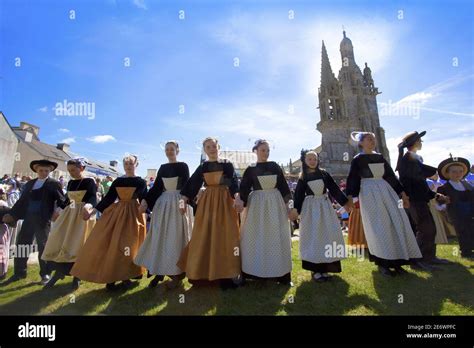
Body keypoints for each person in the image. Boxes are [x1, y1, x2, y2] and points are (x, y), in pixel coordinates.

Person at [346, 132, 422, 277]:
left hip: (386, 191)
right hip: (368, 192)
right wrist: (351, 198)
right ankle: (383, 264)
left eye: (374, 139)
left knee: (397, 222)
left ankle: (399, 261)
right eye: (369, 139)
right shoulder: (358, 160)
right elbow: (353, 179)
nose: (373, 141)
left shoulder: (380, 157)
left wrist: (402, 194)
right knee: (379, 227)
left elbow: (391, 176)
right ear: (361, 143)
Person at [71, 155, 147, 291]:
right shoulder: (118, 181)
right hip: (118, 215)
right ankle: (112, 278)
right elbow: (108, 199)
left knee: (129, 246)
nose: (128, 166)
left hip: (134, 215)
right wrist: (92, 212)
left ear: (136, 165)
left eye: (131, 164)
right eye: (126, 164)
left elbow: (143, 198)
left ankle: (126, 276)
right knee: (115, 245)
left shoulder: (140, 181)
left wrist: (145, 209)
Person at [177, 137, 241, 289]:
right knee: (204, 234)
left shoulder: (227, 164)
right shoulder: (203, 167)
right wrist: (183, 201)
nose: (212, 149)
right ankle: (202, 273)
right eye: (208, 147)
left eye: (214, 146)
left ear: (218, 147)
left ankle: (227, 276)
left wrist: (237, 198)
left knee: (227, 235)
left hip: (225, 202)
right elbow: (192, 184)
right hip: (207, 204)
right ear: (205, 150)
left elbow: (233, 183)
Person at [135, 141, 193, 289]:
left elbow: (187, 185)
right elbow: (157, 188)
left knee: (176, 238)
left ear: (177, 150)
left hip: (178, 204)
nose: (169, 151)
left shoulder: (183, 166)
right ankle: (159, 271)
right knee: (160, 238)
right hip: (163, 206)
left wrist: (183, 202)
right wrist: (145, 201)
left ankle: (176, 274)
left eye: (172, 149)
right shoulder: (162, 168)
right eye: (167, 149)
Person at [2, 160, 67, 285]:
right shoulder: (30, 183)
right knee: (22, 244)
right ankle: (19, 272)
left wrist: (57, 211)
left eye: (46, 170)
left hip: (43, 219)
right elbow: (21, 201)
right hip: (28, 218)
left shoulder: (54, 184)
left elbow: (62, 201)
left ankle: (45, 273)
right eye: (41, 170)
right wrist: (12, 214)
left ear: (50, 171)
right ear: (36, 170)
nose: (43, 172)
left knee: (43, 246)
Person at [291, 150, 352, 282]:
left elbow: (334, 189)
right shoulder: (303, 178)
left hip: (325, 208)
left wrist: (345, 202)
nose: (313, 161)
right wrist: (296, 210)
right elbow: (299, 196)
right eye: (309, 159)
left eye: (315, 159)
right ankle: (315, 270)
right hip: (310, 209)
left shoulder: (324, 174)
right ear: (305, 161)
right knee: (314, 237)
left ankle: (326, 268)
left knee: (327, 236)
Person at [238, 139, 293, 285]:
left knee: (276, 235)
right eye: (263, 150)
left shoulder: (274, 166)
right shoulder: (251, 168)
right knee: (255, 236)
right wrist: (239, 201)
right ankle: (255, 273)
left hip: (275, 204)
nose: (266, 153)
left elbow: (284, 187)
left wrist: (290, 205)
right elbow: (244, 188)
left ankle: (282, 275)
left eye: (268, 150)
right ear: (255, 151)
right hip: (257, 206)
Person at [396, 131, 451, 270]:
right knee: (424, 229)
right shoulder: (409, 158)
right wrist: (437, 171)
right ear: (414, 142)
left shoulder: (414, 158)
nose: (421, 143)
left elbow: (420, 182)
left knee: (430, 228)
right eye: (419, 141)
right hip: (413, 200)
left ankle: (429, 257)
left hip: (419, 198)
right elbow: (416, 178)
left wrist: (435, 195)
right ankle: (418, 261)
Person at [41, 158, 97, 290]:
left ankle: (77, 276)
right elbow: (67, 199)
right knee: (61, 241)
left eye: (73, 170)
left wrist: (88, 207)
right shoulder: (71, 182)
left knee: (78, 244)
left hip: (82, 216)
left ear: (82, 168)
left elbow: (93, 196)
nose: (71, 172)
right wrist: (58, 210)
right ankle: (58, 273)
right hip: (69, 215)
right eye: (69, 170)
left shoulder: (89, 181)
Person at [436, 155, 473, 258]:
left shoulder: (467, 185)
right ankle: (466, 252)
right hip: (456, 214)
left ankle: (471, 249)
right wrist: (443, 200)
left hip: (470, 212)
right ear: (448, 173)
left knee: (471, 230)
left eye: (460, 171)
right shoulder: (444, 187)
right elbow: (439, 201)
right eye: (454, 171)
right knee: (463, 232)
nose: (458, 174)